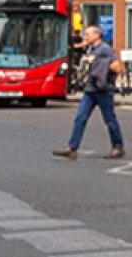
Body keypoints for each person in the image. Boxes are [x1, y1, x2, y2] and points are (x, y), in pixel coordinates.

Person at [54, 26, 126, 160]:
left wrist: (98, 63)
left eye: (88, 34)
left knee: (109, 119)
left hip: (103, 89)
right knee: (80, 118)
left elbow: (116, 67)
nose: (85, 37)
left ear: (97, 35)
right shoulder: (90, 49)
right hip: (90, 89)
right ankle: (72, 148)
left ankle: (118, 147)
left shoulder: (105, 49)